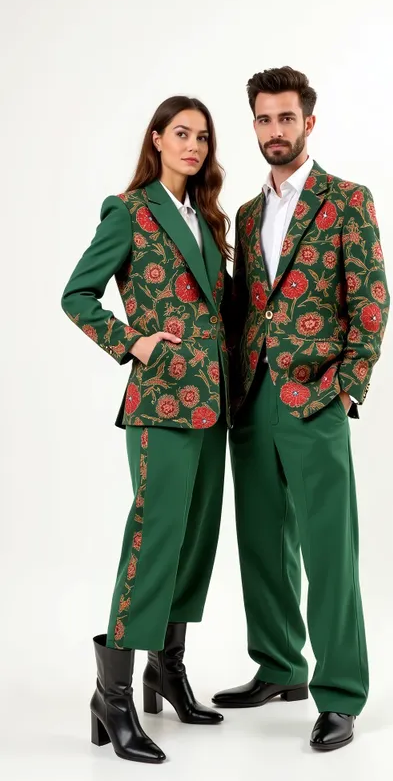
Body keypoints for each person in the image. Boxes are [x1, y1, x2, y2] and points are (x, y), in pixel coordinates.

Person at [213, 67, 390, 752]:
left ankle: (340, 693)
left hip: (316, 395)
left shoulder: (347, 200)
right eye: (263, 119)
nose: (274, 131)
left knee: (328, 550)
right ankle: (280, 666)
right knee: (262, 541)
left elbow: (370, 299)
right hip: (252, 396)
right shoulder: (247, 214)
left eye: (286, 118)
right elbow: (245, 305)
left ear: (308, 123)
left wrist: (349, 383)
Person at [61, 95, 232, 764]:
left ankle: (168, 669)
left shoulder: (208, 220)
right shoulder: (129, 211)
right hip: (159, 403)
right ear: (156, 139)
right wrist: (131, 340)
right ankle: (113, 697)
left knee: (194, 543)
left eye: (203, 137)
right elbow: (77, 294)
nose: (193, 146)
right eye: (181, 133)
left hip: (214, 404)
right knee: (153, 539)